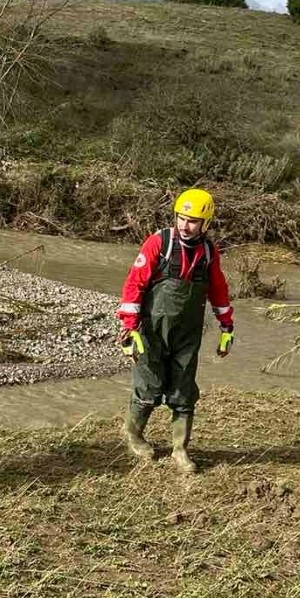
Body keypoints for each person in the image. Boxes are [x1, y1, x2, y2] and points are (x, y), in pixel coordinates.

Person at [116, 188, 234, 474]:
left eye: (192, 220)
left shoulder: (208, 252)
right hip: (151, 331)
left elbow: (218, 288)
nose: (185, 225)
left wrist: (226, 325)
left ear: (205, 223)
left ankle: (180, 450)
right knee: (149, 388)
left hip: (187, 335)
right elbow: (134, 284)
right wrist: (129, 328)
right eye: (181, 218)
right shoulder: (160, 243)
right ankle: (132, 434)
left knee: (183, 392)